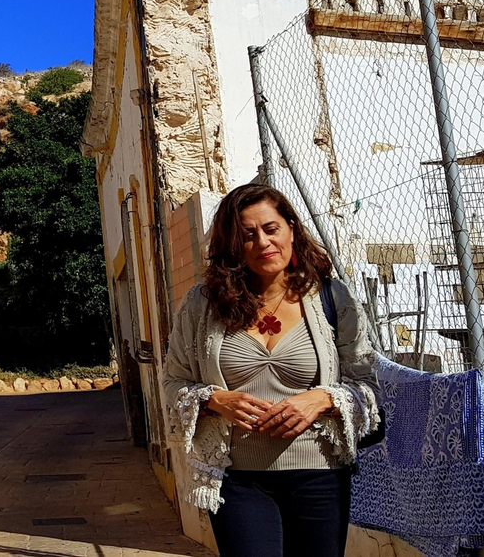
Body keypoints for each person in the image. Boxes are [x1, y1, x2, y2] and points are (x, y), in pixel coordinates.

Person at [163, 184, 381, 557]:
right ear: (233, 244)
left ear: (291, 228)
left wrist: (323, 398)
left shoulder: (333, 298)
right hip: (236, 478)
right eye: (247, 234)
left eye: (271, 228)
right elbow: (173, 383)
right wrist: (215, 399)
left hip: (320, 474)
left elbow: (367, 387)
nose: (262, 242)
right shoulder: (202, 305)